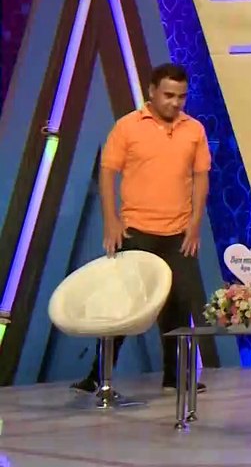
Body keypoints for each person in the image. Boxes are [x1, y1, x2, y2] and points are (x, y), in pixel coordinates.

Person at [73, 63, 211, 395]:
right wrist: (111, 220)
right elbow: (108, 172)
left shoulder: (194, 130)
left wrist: (194, 225)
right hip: (136, 231)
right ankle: (98, 375)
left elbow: (201, 178)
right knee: (124, 306)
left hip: (178, 234)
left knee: (178, 305)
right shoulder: (127, 127)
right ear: (152, 91)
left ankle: (174, 376)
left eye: (181, 96)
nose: (175, 102)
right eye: (168, 95)